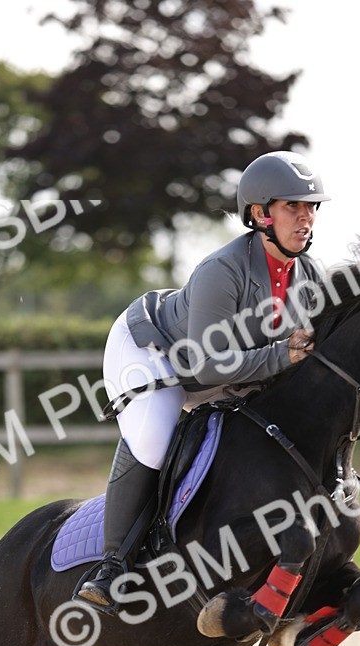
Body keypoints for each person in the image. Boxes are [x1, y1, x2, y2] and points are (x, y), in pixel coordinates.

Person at [76, 149, 331, 608]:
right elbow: (209, 367)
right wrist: (280, 356)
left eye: (311, 207)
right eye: (293, 206)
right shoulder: (222, 269)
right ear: (260, 214)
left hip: (215, 364)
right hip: (152, 352)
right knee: (156, 435)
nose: (306, 217)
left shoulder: (310, 276)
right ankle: (112, 566)